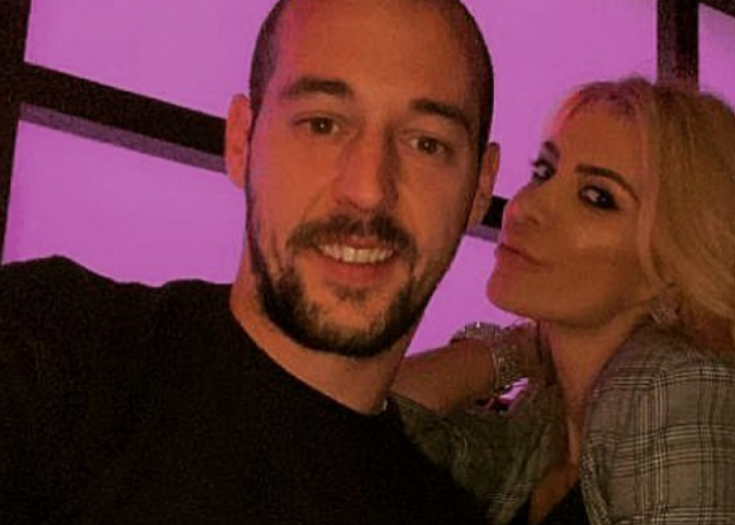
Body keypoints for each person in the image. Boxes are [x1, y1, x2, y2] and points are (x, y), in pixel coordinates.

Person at [0, 0, 500, 523]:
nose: (369, 190)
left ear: (481, 188)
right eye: (322, 125)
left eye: (426, 144)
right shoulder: (59, 343)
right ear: (241, 141)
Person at [394, 77, 735, 525]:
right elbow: (376, 436)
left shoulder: (680, 387)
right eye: (543, 173)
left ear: (673, 264)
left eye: (597, 197)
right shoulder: (541, 427)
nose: (524, 208)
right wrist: (515, 349)